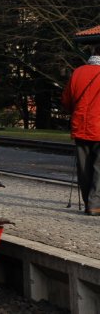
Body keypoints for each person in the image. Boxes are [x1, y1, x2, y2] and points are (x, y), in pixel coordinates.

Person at [62, 45, 100, 216]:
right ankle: (95, 203)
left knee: (84, 168)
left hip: (80, 126)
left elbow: (67, 100)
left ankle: (89, 203)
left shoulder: (78, 72)